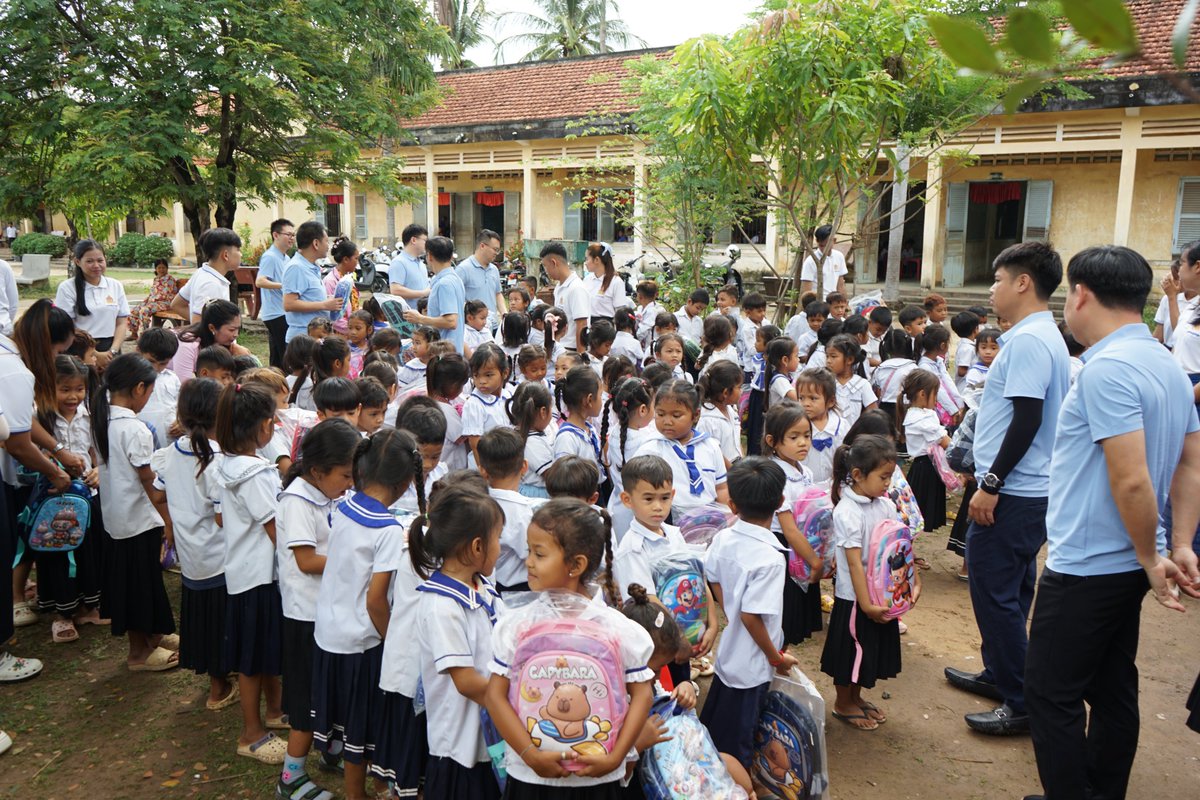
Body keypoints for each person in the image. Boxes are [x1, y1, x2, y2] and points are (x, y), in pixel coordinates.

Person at [1024, 245, 1200, 800]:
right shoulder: (1163, 362)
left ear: (1080, 294)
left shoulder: (1108, 369)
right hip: (1127, 560)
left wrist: (1156, 556)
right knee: (1112, 685)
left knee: (1050, 693)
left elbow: (1131, 479)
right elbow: (1191, 460)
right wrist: (1180, 543)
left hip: (1089, 564)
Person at [945, 241, 1070, 736]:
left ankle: (1021, 701)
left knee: (994, 590)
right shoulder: (1034, 336)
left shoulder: (1030, 341)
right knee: (1013, 588)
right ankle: (1001, 674)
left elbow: (1028, 418)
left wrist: (992, 482)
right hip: (1027, 488)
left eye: (998, 279)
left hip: (1015, 490)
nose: (991, 289)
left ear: (1023, 282)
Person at [484, 498, 655, 798]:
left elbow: (642, 693)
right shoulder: (516, 626)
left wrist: (617, 757)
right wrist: (530, 754)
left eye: (539, 554)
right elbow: (494, 696)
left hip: (597, 776)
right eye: (529, 551)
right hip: (531, 777)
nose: (528, 562)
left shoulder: (618, 630)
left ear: (576, 565)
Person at [311, 429, 423, 798]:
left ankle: (364, 787)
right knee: (363, 724)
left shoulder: (345, 504)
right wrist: (395, 642)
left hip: (329, 632)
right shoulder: (388, 529)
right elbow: (377, 600)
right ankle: (361, 793)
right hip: (362, 642)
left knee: (348, 722)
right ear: (407, 481)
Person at [274, 418, 360, 799]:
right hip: (304, 616)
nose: (350, 483)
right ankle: (290, 778)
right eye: (345, 475)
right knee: (307, 700)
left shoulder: (328, 493)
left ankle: (332, 749)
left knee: (330, 688)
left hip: (327, 611)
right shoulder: (297, 501)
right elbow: (307, 561)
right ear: (317, 471)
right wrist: (357, 559)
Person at [699, 457, 798, 767]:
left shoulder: (723, 538)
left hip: (730, 655)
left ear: (731, 504)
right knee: (738, 743)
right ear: (780, 502)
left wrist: (729, 604)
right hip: (753, 662)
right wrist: (775, 657)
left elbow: (712, 576)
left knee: (717, 727)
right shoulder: (770, 559)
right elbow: (751, 616)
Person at [408, 484, 504, 799]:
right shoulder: (442, 606)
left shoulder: (482, 586)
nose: (500, 548)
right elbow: (464, 681)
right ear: (477, 547)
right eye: (498, 539)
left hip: (488, 736)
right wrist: (516, 701)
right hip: (460, 747)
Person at [91, 354, 178, 671]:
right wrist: (169, 521)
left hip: (116, 519)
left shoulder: (102, 421)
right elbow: (149, 482)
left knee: (136, 583)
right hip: (140, 521)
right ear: (140, 388)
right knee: (139, 586)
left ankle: (154, 636)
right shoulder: (134, 429)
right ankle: (138, 654)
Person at [820, 435, 907, 731]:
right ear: (857, 475)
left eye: (890, 477)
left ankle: (856, 698)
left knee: (867, 651)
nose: (887, 483)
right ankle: (843, 702)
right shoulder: (848, 511)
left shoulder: (883, 505)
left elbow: (899, 546)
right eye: (883, 477)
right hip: (855, 598)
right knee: (850, 651)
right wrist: (866, 603)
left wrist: (910, 584)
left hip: (880, 593)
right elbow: (854, 563)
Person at [634, 379, 730, 517]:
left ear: (696, 415)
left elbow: (721, 488)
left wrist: (725, 516)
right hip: (668, 520)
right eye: (660, 414)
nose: (667, 421)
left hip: (710, 520)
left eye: (676, 415)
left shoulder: (711, 446)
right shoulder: (650, 450)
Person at [55, 239, 130, 369]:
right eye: (89, 261)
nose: (96, 265)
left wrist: (112, 352)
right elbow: (68, 327)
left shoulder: (115, 285)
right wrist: (94, 353)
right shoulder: (67, 288)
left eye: (100, 260)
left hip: (111, 349)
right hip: (80, 349)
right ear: (78, 262)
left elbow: (122, 322)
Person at [283, 221, 343, 343]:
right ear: (316, 243)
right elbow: (289, 304)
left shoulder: (311, 266)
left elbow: (308, 297)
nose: (328, 246)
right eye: (326, 241)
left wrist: (327, 300)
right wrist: (324, 305)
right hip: (303, 341)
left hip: (316, 338)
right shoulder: (296, 267)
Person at [404, 235, 465, 353]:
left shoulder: (445, 284)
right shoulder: (454, 279)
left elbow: (451, 321)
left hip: (444, 354)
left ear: (430, 256)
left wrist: (420, 318)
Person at [172, 299, 252, 383]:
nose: (236, 334)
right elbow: (184, 386)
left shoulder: (229, 341)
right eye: (231, 330)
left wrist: (243, 358)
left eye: (238, 329)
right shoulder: (188, 345)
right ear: (212, 328)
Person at [170, 228, 240, 324]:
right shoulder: (211, 284)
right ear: (226, 255)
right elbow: (198, 323)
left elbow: (177, 305)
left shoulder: (200, 273)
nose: (241, 254)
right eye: (238, 250)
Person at [256, 219, 295, 369]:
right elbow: (260, 281)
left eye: (293, 235)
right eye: (288, 234)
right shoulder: (270, 256)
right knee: (286, 357)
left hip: (281, 312)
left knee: (278, 359)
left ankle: (273, 384)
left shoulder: (286, 257)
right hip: (276, 313)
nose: (292, 238)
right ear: (275, 235)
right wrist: (285, 286)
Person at [541, 241, 589, 353]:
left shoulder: (576, 288)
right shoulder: (559, 287)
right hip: (559, 348)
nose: (546, 271)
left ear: (553, 263)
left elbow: (582, 324)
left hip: (572, 350)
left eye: (545, 266)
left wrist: (580, 356)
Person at [455, 229, 506, 330]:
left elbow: (498, 294)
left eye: (498, 250)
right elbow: (456, 297)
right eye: (495, 249)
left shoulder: (494, 269)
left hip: (493, 325)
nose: (496, 253)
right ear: (482, 246)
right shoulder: (463, 269)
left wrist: (505, 315)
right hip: (473, 328)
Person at [127, 259, 180, 340]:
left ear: (167, 268)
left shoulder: (169, 279)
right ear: (156, 269)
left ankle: (144, 336)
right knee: (134, 310)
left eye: (163, 268)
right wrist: (147, 300)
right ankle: (134, 333)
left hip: (165, 303)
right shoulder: (156, 279)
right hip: (154, 302)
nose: (161, 270)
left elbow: (166, 294)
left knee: (144, 311)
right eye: (159, 268)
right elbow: (152, 293)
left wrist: (152, 300)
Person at [582, 241, 627, 324]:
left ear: (597, 260)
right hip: (588, 326)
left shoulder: (616, 282)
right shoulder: (587, 280)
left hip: (606, 330)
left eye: (587, 259)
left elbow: (620, 312)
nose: (585, 263)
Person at [799, 224, 847, 297]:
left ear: (834, 240)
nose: (824, 249)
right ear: (817, 242)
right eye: (821, 246)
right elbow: (806, 291)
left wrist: (845, 303)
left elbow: (840, 284)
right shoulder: (810, 261)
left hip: (833, 302)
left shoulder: (839, 256)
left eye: (827, 245)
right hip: (818, 303)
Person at [389, 223, 431, 301]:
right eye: (425, 240)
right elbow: (395, 290)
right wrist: (423, 293)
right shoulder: (399, 262)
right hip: (409, 312)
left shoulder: (420, 263)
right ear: (413, 240)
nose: (427, 244)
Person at [0, 257, 17, 337]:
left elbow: (13, 305)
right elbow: (13, 305)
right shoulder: (3, 266)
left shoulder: (3, 266)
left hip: (3, 330)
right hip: (4, 328)